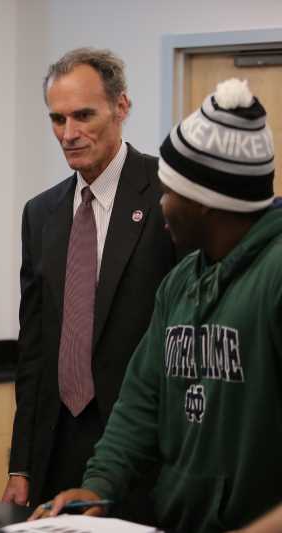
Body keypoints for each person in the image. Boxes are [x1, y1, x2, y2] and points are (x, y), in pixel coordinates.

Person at [33, 78, 282, 533]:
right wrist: (99, 485)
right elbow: (142, 401)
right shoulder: (180, 282)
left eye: (170, 193)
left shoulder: (274, 277)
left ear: (209, 204)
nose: (161, 206)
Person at [2, 48, 176, 513]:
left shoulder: (170, 197)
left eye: (84, 115)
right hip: (56, 445)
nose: (69, 134)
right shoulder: (41, 213)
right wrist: (20, 464)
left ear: (122, 107)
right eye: (57, 119)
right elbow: (34, 346)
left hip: (144, 446)